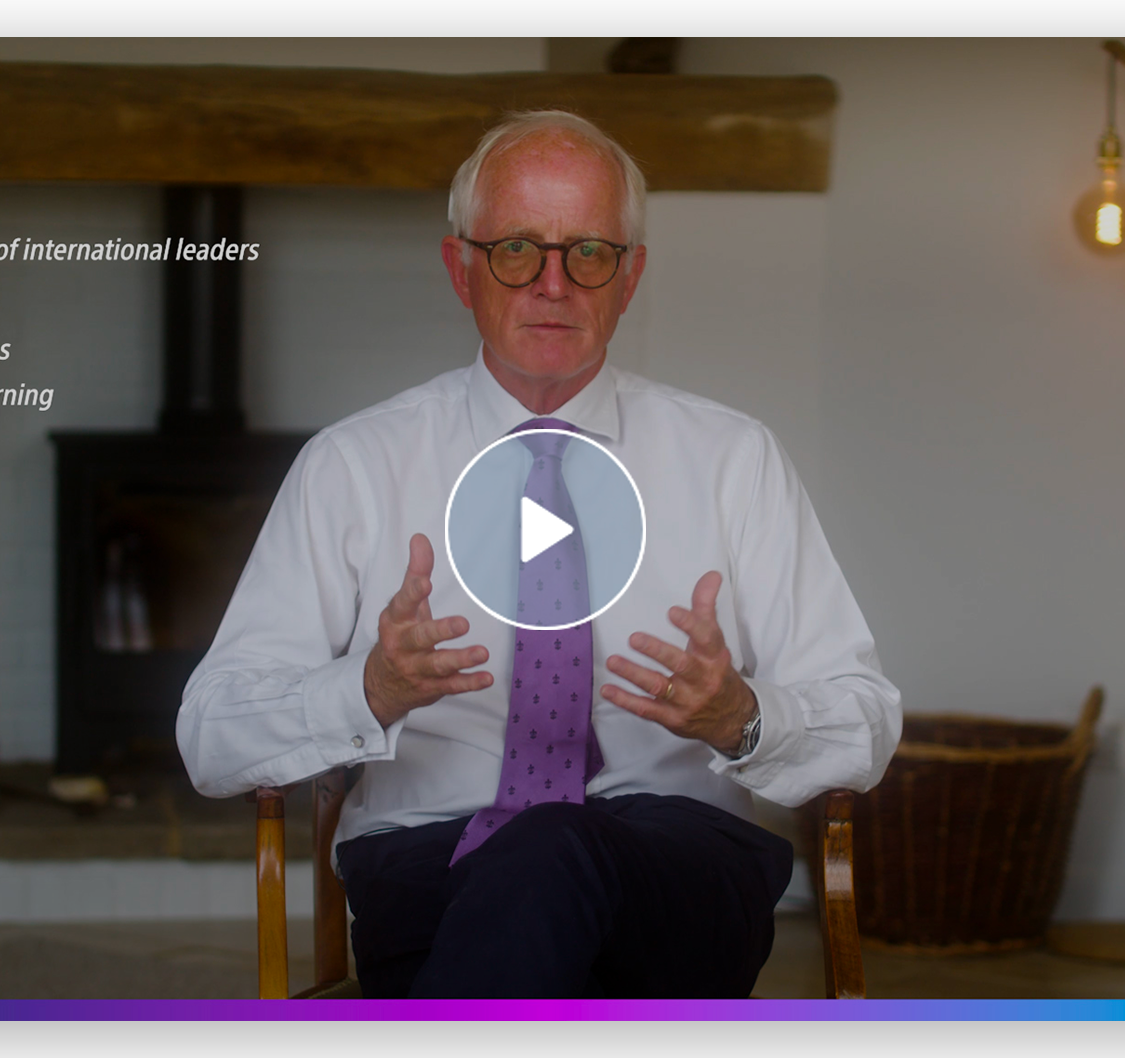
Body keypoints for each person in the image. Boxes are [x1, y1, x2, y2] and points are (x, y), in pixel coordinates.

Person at [177, 110, 901, 998]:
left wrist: (742, 718)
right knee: (539, 870)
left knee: (555, 846)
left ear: (630, 276)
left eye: (588, 252)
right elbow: (211, 735)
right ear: (461, 270)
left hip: (675, 869)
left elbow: (864, 720)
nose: (553, 285)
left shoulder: (733, 461)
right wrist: (367, 692)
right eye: (517, 249)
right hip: (432, 865)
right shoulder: (354, 465)